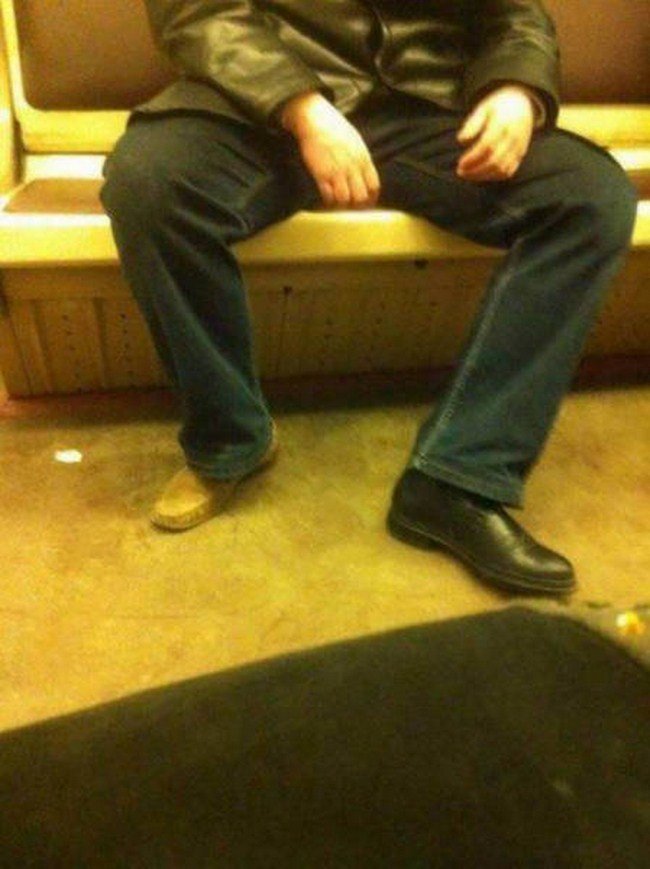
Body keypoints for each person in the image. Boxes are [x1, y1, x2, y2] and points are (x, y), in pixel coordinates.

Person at [100, 1, 637, 596]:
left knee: (589, 198)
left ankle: (459, 478)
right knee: (151, 183)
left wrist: (517, 87)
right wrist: (301, 107)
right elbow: (199, 11)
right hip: (258, 108)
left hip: (425, 110)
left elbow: (515, 14)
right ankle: (229, 439)